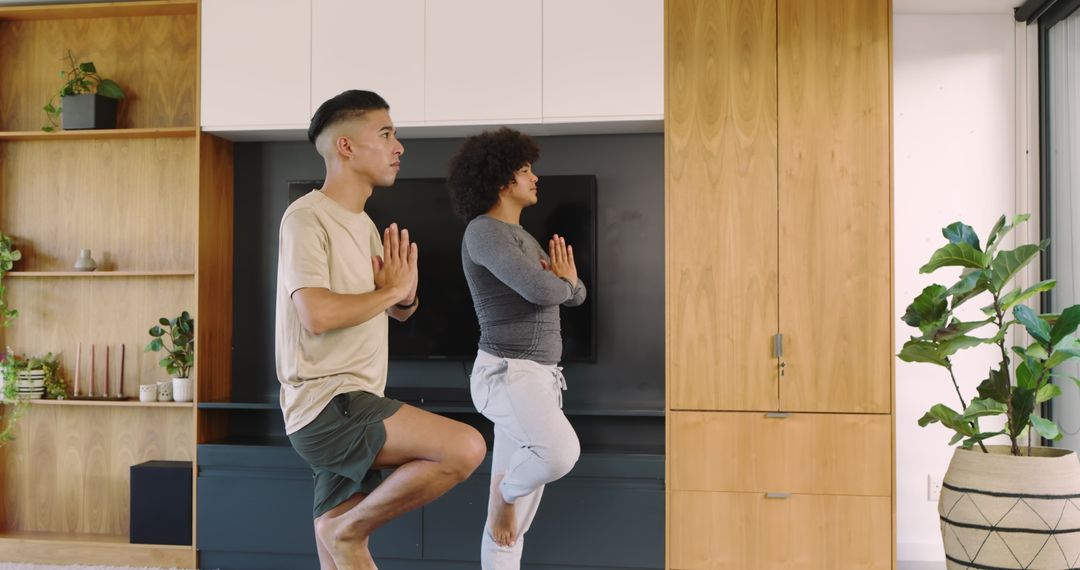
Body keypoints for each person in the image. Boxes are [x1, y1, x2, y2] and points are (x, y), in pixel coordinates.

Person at [275, 90, 486, 570]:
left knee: (340, 554)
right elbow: (317, 314)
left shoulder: (365, 225)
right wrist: (390, 295)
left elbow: (390, 312)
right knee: (465, 447)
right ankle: (348, 531)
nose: (399, 147)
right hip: (331, 403)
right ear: (346, 146)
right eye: (386, 134)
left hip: (351, 398)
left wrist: (404, 295)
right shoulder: (307, 217)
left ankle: (345, 534)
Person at [447, 127, 586, 569]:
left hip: (538, 377)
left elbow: (575, 292)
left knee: (512, 531)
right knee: (559, 454)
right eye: (525, 170)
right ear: (500, 180)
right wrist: (559, 282)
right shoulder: (484, 232)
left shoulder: (521, 236)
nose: (534, 178)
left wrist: (560, 281)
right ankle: (503, 493)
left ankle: (506, 502)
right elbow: (542, 289)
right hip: (508, 373)